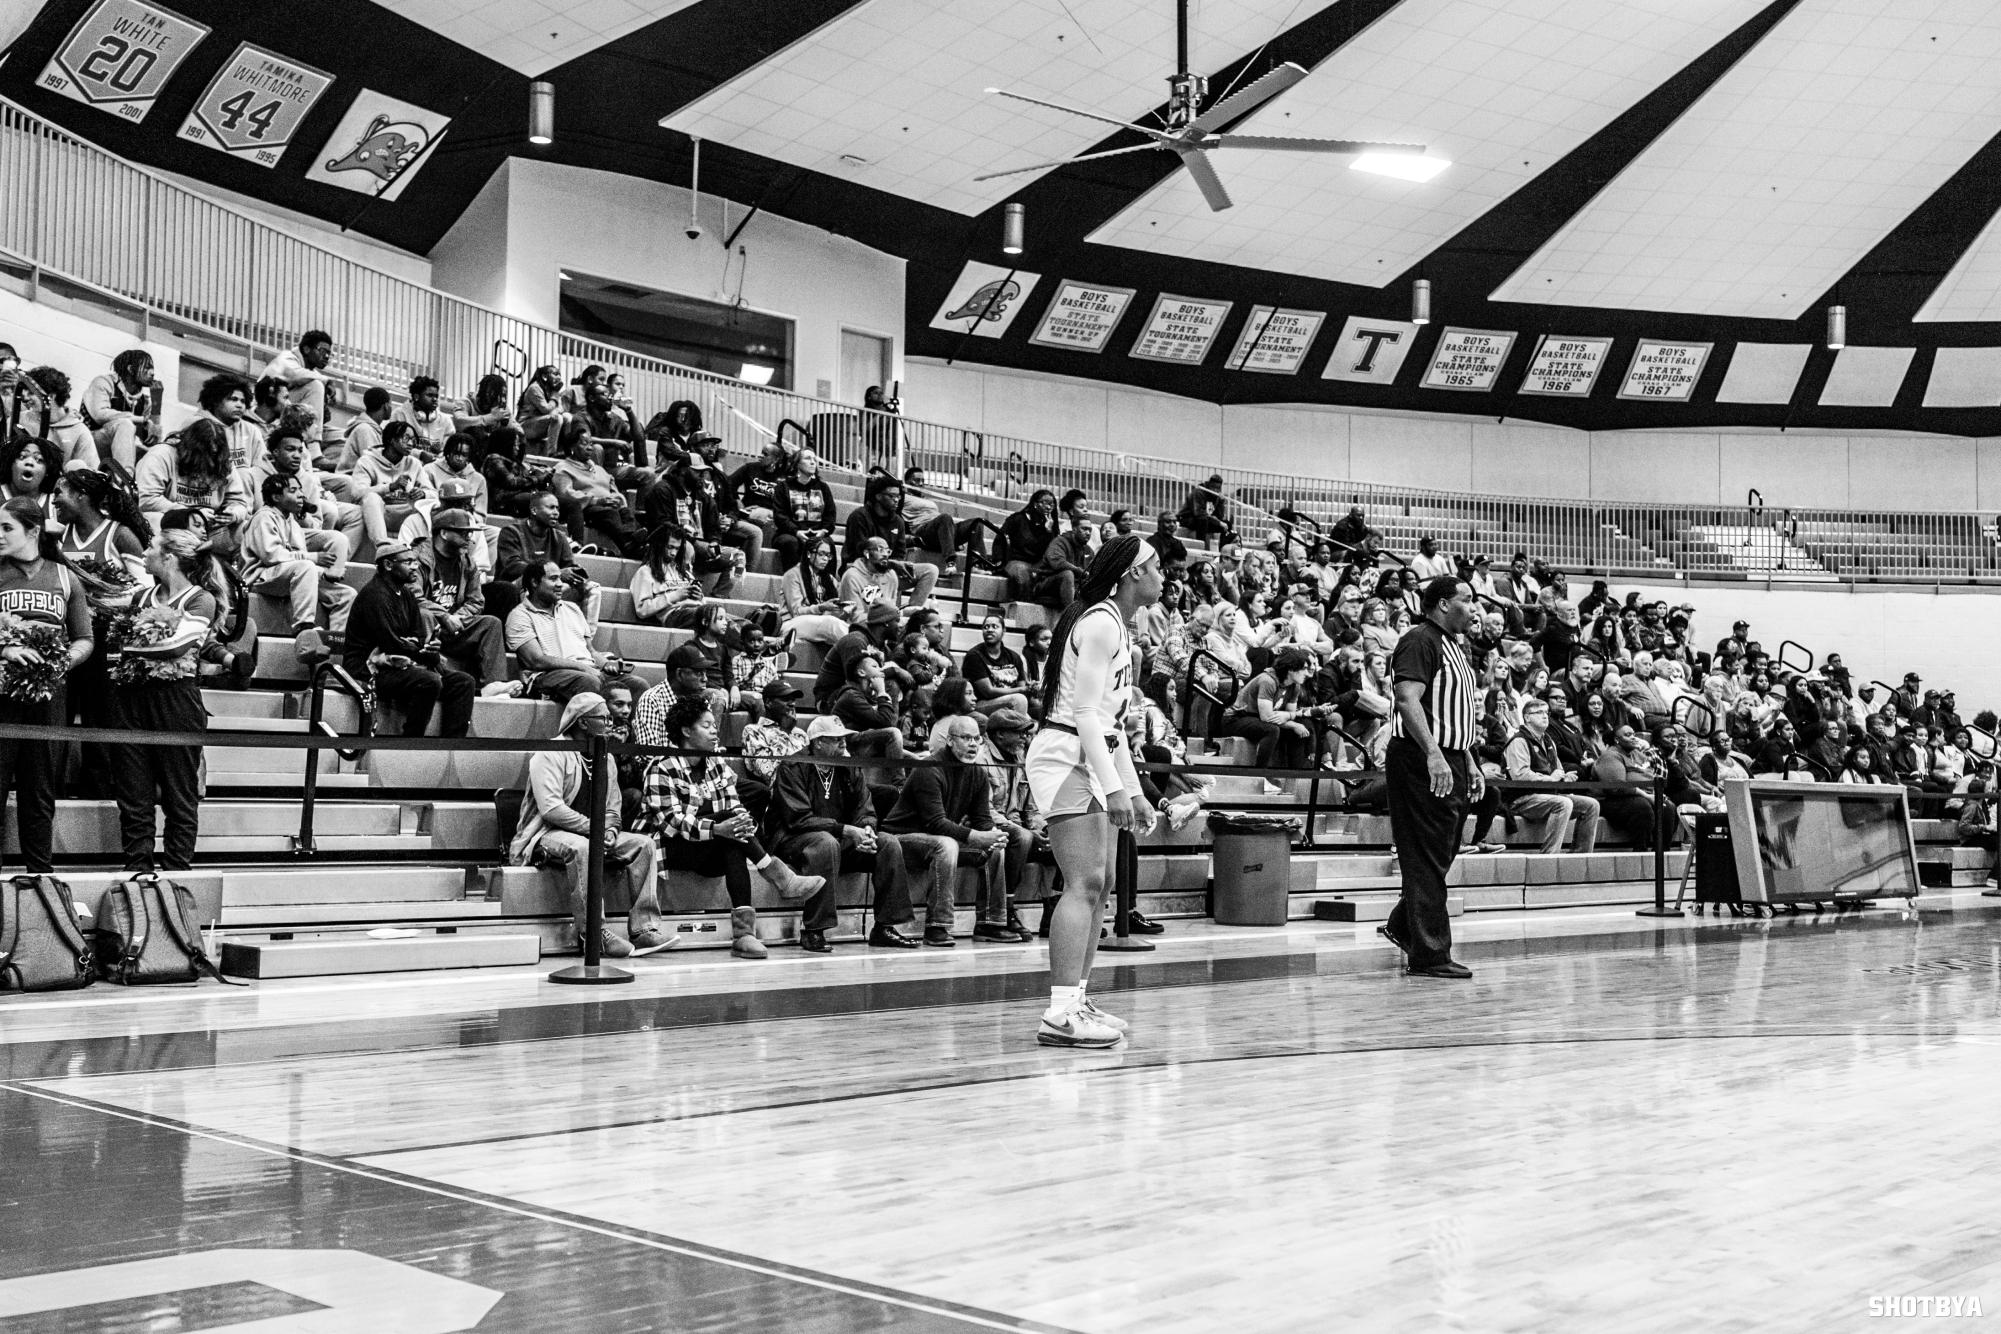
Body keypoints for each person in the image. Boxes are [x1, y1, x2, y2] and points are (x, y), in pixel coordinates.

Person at [1025, 536, 1162, 1048]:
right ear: (1130, 574)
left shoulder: (1116, 625)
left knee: (1100, 885)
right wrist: (1114, 787)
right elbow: (1083, 715)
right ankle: (1060, 1012)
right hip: (1064, 755)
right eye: (1155, 568)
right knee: (1083, 882)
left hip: (1091, 753)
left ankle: (1076, 999)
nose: (1163, 577)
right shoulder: (1102, 622)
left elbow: (1112, 726)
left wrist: (1132, 789)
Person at [636, 695, 827, 960]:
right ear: (686, 731)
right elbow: (672, 822)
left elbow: (735, 805)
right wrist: (719, 828)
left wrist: (740, 823)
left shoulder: (715, 762)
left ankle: (745, 936)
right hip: (667, 847)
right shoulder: (661, 766)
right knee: (726, 826)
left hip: (706, 844)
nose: (715, 730)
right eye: (707, 725)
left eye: (715, 725)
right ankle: (776, 875)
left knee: (733, 839)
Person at [510, 691, 671, 960]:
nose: (610, 723)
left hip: (591, 832)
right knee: (584, 847)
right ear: (583, 723)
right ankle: (594, 934)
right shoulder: (550, 753)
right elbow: (551, 809)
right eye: (604, 718)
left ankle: (645, 929)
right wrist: (594, 829)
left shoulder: (605, 757)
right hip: (546, 834)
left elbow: (613, 805)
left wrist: (609, 830)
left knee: (643, 844)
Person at [1379, 576, 1482, 980]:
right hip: (1421, 758)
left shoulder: (1456, 646)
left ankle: (1404, 925)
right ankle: (1430, 954)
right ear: (1442, 604)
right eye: (1467, 600)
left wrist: (1468, 758)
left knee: (1440, 854)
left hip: (1451, 756)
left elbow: (1452, 713)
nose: (1474, 608)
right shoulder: (1420, 640)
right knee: (1425, 856)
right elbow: (1407, 699)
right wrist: (1435, 754)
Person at [103, 528, 213, 872]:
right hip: (131, 699)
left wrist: (130, 649)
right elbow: (112, 654)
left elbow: (176, 646)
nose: (145, 552)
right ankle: (138, 872)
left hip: (176, 701)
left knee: (180, 797)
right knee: (133, 797)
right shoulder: (141, 598)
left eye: (150, 546)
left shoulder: (200, 599)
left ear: (169, 557)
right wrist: (132, 652)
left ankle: (178, 874)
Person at [765, 714, 920, 953]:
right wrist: (846, 830)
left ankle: (885, 927)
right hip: (792, 839)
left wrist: (867, 829)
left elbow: (864, 808)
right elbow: (798, 819)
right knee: (825, 843)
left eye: (843, 739)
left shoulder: (849, 767)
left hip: (838, 838)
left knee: (887, 843)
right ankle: (814, 929)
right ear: (817, 743)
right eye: (835, 740)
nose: (843, 744)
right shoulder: (793, 766)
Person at [0, 498, 93, 875]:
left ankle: (39, 879)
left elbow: (84, 638)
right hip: (1, 697)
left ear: (33, 531)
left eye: (7, 528)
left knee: (40, 795)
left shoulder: (64, 577)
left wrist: (62, 661)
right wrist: (5, 648)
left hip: (49, 698)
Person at [883, 712, 1006, 948]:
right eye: (966, 738)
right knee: (946, 844)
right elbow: (935, 823)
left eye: (977, 739)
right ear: (950, 740)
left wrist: (994, 835)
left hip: (937, 838)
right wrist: (976, 836)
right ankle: (937, 926)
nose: (972, 744)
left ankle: (990, 924)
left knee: (995, 850)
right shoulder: (929, 768)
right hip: (901, 838)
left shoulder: (978, 773)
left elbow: (982, 820)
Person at [345, 540, 476, 737]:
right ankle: (411, 741)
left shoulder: (406, 594)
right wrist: (419, 649)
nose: (415, 567)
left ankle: (452, 745)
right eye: (408, 562)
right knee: (429, 681)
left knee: (463, 682)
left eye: (415, 561)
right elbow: (391, 645)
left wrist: (429, 648)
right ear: (389, 565)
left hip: (401, 664)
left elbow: (418, 637)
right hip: (368, 670)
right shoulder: (375, 595)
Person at [243, 473, 354, 664]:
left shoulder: (292, 521)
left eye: (301, 490)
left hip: (286, 577)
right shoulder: (263, 517)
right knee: (306, 566)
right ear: (276, 497)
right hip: (260, 577)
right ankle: (304, 630)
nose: (301, 495)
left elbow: (297, 564)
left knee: (346, 595)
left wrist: (324, 574)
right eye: (293, 490)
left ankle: (334, 662)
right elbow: (272, 557)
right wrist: (314, 558)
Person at [505, 559, 631, 704]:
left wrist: (607, 664)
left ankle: (621, 726)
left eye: (560, 578)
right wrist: (583, 667)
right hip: (546, 676)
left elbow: (591, 651)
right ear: (534, 582)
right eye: (553, 579)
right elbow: (536, 661)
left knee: (635, 684)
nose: (560, 584)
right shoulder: (519, 616)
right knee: (588, 681)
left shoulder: (573, 609)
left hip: (586, 671)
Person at [415, 507, 507, 689]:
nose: (470, 538)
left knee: (491, 623)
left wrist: (457, 618)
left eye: (470, 533)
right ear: (443, 533)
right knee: (424, 613)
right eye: (464, 533)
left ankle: (494, 686)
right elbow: (414, 597)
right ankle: (429, 675)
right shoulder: (418, 558)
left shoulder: (467, 560)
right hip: (424, 627)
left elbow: (476, 601)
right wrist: (444, 616)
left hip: (455, 626)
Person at [1501, 698, 1602, 854]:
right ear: (1527, 718)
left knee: (1591, 805)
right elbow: (1520, 775)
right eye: (1539, 712)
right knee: (1563, 803)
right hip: (1522, 798)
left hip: (1547, 794)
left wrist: (1563, 776)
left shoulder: (1548, 740)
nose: (1545, 716)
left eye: (1546, 712)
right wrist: (1552, 778)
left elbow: (1558, 769)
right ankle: (1549, 856)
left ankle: (1581, 854)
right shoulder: (1519, 741)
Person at [82, 350, 157, 469]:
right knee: (124, 424)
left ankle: (131, 482)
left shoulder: (145, 401)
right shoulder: (103, 382)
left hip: (117, 451)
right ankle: (125, 479)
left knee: (152, 455)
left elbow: (145, 440)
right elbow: (100, 414)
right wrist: (141, 419)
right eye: (147, 368)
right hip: (89, 442)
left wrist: (151, 430)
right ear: (131, 369)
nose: (152, 373)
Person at [262, 331, 336, 448]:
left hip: (288, 419)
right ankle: (313, 449)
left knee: (341, 437)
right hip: (269, 416)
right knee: (316, 386)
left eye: (329, 354)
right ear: (306, 349)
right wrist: (327, 381)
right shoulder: (286, 358)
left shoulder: (310, 372)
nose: (326, 357)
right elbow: (296, 375)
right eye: (322, 351)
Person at [772, 448, 837, 572]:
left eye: (814, 459)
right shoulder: (784, 486)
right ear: (797, 464)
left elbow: (830, 515)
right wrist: (796, 532)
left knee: (828, 544)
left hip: (817, 533)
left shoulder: (822, 487)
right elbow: (780, 516)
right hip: (790, 533)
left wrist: (823, 531)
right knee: (791, 543)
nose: (813, 462)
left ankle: (827, 585)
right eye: (808, 459)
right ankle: (792, 582)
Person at [962, 612, 1031, 716]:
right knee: (1019, 700)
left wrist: (1031, 688)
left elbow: (1021, 687)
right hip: (981, 704)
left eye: (995, 626)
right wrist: (1021, 689)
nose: (989, 630)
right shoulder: (974, 656)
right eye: (986, 627)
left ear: (1003, 631)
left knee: (1034, 725)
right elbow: (988, 692)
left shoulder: (1014, 657)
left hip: (1010, 702)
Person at [1177, 475, 1232, 544]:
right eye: (1213, 487)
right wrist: (1218, 522)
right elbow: (1199, 513)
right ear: (1208, 485)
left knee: (1227, 524)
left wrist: (1221, 502)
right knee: (1203, 520)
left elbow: (1219, 516)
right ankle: (1200, 544)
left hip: (1205, 520)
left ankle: (1223, 546)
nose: (1215, 490)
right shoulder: (1199, 492)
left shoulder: (1216, 496)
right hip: (1187, 518)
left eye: (1218, 488)